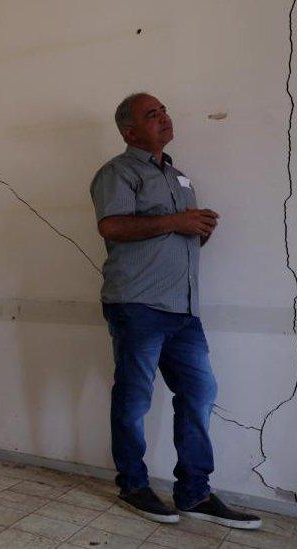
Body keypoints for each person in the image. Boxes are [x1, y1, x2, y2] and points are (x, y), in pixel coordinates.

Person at [89, 92, 261, 529]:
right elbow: (111, 226)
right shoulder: (117, 172)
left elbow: (176, 237)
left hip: (183, 309)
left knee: (200, 394)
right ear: (130, 131)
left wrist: (198, 230)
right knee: (134, 399)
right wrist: (175, 222)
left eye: (163, 110)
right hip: (138, 305)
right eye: (152, 114)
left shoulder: (179, 177)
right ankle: (132, 484)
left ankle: (194, 492)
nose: (164, 117)